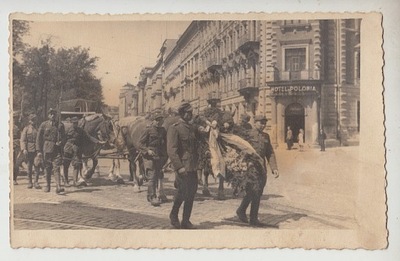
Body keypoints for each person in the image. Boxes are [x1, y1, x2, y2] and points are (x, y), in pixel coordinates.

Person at [236, 115, 279, 227]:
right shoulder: (248, 134)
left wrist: (274, 168)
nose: (263, 125)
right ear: (255, 123)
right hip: (250, 168)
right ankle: (253, 219)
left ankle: (241, 210)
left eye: (264, 123)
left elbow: (270, 153)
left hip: (261, 169)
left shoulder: (266, 136)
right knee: (255, 192)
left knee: (256, 192)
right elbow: (239, 148)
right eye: (260, 123)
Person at [167, 102, 199, 229]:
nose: (190, 114)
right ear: (182, 113)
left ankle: (186, 220)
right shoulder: (175, 128)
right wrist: (179, 167)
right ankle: (174, 215)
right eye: (188, 112)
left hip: (193, 166)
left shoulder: (191, 127)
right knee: (182, 192)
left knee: (191, 193)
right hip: (183, 166)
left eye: (191, 112)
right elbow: (171, 150)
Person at [63, 116, 105, 187]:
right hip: (68, 148)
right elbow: (63, 138)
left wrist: (98, 142)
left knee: (76, 165)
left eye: (76, 123)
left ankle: (75, 181)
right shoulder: (68, 129)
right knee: (66, 165)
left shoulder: (81, 130)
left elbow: (89, 137)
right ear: (72, 123)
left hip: (76, 149)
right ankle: (66, 181)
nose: (75, 124)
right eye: (74, 123)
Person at [138, 110, 167, 207]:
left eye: (161, 120)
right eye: (157, 120)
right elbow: (140, 144)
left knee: (158, 175)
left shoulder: (162, 130)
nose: (159, 122)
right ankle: (152, 197)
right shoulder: (148, 130)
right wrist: (147, 151)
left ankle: (153, 195)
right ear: (153, 120)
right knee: (152, 177)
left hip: (159, 156)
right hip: (149, 157)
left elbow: (165, 143)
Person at [36, 108, 65, 194]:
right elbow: (39, 138)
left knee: (56, 167)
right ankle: (47, 185)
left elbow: (64, 137)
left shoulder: (60, 125)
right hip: (47, 148)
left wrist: (61, 142)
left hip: (56, 149)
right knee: (47, 168)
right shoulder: (44, 125)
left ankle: (58, 186)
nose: (53, 115)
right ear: (48, 115)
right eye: (51, 114)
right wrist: (38, 150)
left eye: (54, 114)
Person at [20, 113, 41, 189]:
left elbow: (40, 140)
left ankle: (36, 182)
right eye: (32, 120)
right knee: (29, 167)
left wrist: (39, 150)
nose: (33, 122)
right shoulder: (26, 129)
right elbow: (23, 140)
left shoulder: (38, 129)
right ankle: (29, 182)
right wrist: (24, 149)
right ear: (29, 121)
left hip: (36, 150)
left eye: (34, 120)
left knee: (37, 166)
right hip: (28, 150)